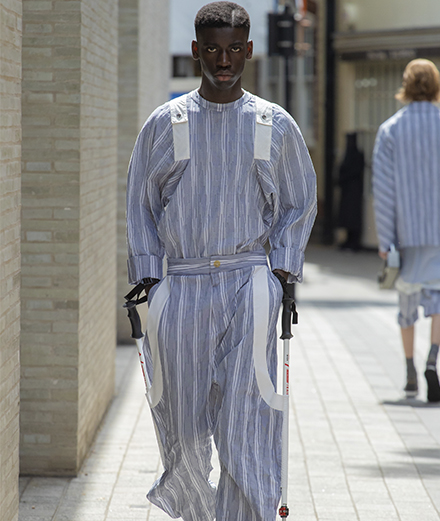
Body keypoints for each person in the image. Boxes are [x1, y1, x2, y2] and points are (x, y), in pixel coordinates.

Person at [126, 2, 317, 519]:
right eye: (212, 48)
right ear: (196, 50)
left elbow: (299, 199)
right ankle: (197, 513)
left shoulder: (272, 123)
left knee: (247, 423)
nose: (223, 60)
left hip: (249, 284)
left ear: (249, 50)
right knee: (182, 427)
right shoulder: (165, 123)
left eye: (234, 49)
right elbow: (140, 203)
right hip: (181, 285)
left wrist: (281, 270)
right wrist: (148, 276)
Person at [373, 58, 440, 403]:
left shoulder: (391, 130)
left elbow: (384, 190)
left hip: (406, 233)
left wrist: (386, 239)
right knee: (438, 302)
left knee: (407, 305)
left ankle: (410, 371)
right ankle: (432, 360)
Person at [337, 132, 364, 252]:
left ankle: (354, 241)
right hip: (347, 191)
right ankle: (348, 240)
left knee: (353, 218)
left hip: (354, 192)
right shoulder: (348, 155)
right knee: (347, 218)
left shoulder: (357, 155)